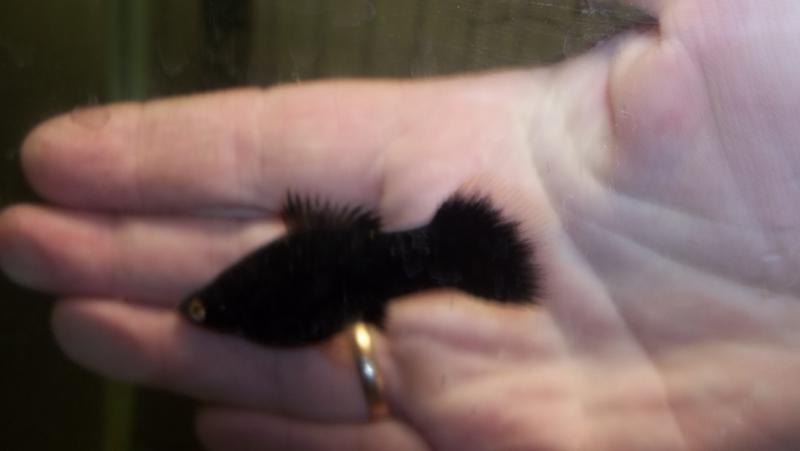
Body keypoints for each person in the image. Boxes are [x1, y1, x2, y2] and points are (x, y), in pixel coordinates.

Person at [2, 0, 800, 449]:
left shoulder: (256, 300)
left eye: (203, 306)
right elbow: (316, 291)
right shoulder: (260, 303)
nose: (202, 308)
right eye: (203, 307)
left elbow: (314, 295)